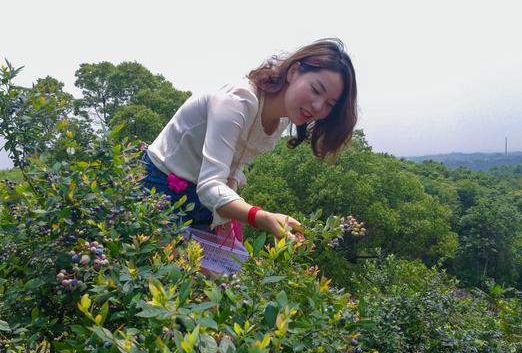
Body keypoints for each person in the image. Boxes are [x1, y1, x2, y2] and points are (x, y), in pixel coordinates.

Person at [139, 38, 358, 240]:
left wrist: (225, 212)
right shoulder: (237, 102)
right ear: (293, 72)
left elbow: (235, 164)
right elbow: (210, 185)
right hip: (159, 188)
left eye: (330, 104)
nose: (318, 106)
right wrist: (261, 217)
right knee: (179, 275)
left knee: (224, 275)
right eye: (316, 90)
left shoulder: (281, 119)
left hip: (205, 200)